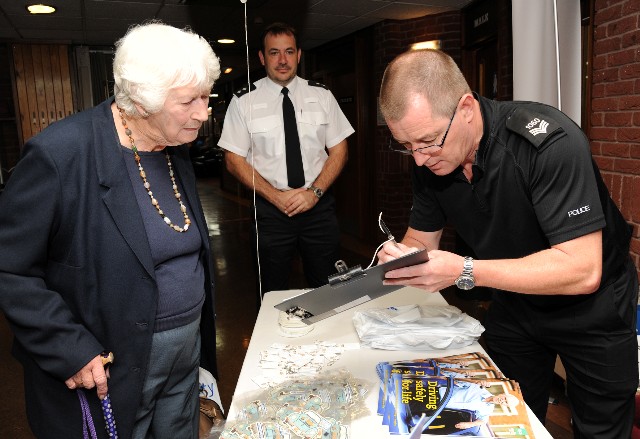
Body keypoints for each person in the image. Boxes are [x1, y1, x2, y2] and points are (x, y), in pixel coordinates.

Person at [377, 49, 638, 438]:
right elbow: (421, 240)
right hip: (515, 301)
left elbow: (582, 270)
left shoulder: (549, 144)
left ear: (466, 108)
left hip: (593, 308)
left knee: (601, 429)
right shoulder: (430, 159)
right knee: (502, 418)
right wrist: (399, 257)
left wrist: (465, 270)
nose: (419, 159)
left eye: (428, 141)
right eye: (406, 145)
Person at [0, 22, 221, 438]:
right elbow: (10, 269)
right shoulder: (60, 154)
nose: (202, 112)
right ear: (142, 100)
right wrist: (67, 346)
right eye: (188, 101)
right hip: (112, 371)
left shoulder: (174, 145)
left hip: (183, 360)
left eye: (206, 96)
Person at [218, 22, 354, 299]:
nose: (282, 60)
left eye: (289, 52)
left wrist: (314, 194)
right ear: (262, 57)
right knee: (272, 291)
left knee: (329, 290)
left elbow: (340, 150)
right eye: (274, 52)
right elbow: (233, 159)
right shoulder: (243, 101)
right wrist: (276, 197)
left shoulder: (322, 95)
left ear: (299, 54)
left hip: (318, 208)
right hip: (271, 212)